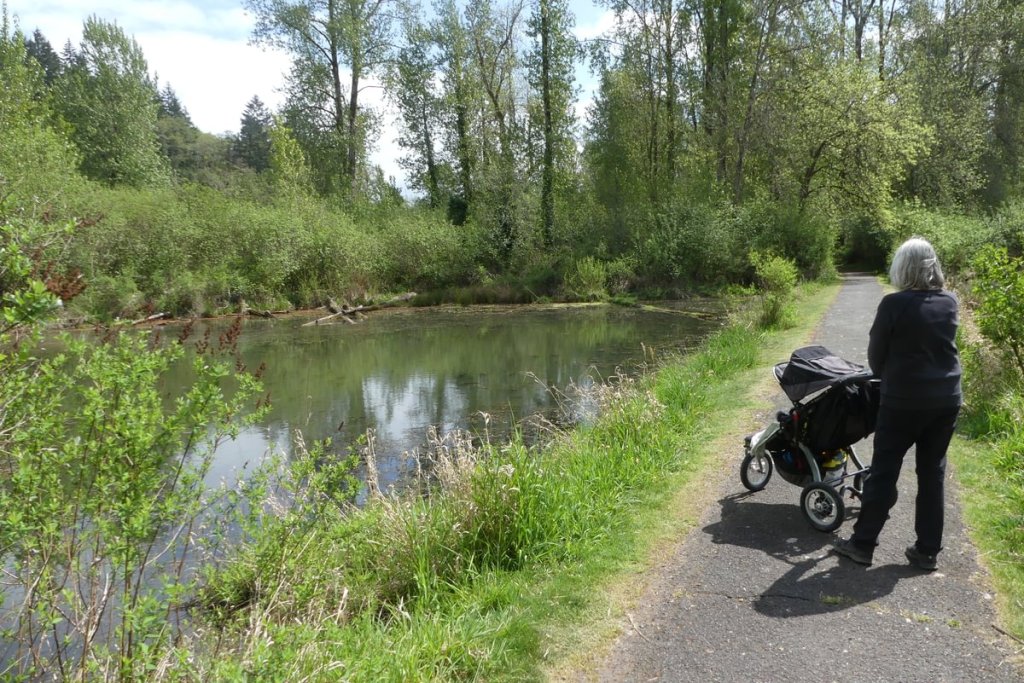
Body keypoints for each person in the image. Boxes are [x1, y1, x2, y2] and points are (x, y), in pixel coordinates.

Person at [833, 237, 962, 570]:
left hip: (903, 401)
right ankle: (927, 551)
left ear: (902, 267)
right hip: (946, 399)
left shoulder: (893, 304)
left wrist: (884, 375)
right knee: (932, 474)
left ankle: (862, 545)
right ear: (933, 266)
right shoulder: (950, 301)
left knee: (885, 471)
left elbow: (876, 356)